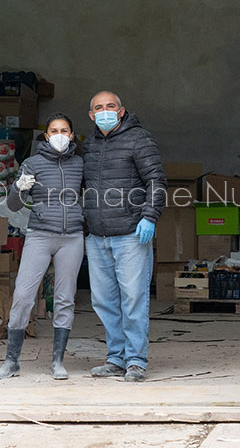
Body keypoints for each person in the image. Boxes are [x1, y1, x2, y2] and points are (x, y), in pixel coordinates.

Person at [0, 113, 84, 380]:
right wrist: (18, 188)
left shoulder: (79, 164)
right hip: (40, 236)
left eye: (64, 131)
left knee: (65, 299)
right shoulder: (32, 164)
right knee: (23, 297)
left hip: (72, 238)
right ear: (45, 136)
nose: (59, 135)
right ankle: (12, 362)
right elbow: (13, 206)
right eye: (54, 130)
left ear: (72, 135)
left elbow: (96, 192)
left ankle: (58, 362)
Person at [82, 91, 166, 382]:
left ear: (121, 110)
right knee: (104, 301)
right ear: (92, 115)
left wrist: (150, 216)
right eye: (99, 108)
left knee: (133, 299)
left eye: (111, 106)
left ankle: (135, 361)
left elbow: (156, 179)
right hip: (97, 236)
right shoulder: (89, 144)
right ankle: (115, 358)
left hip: (131, 234)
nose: (105, 111)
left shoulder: (138, 138)